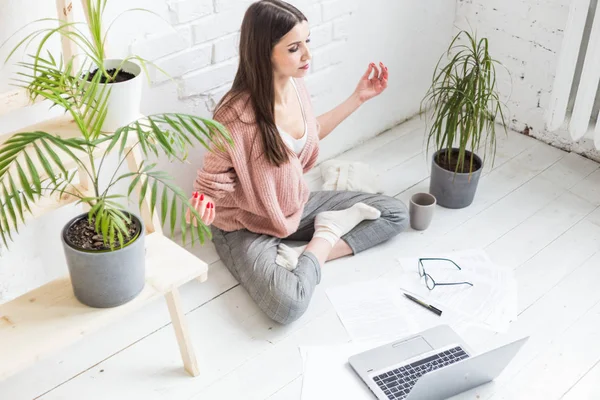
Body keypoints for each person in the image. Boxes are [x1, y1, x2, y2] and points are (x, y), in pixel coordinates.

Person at [186, 0, 408, 325]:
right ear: (264, 52)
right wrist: (200, 204)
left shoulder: (296, 86)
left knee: (395, 214)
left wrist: (358, 97)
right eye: (294, 47)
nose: (307, 54)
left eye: (308, 41)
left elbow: (312, 132)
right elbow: (211, 183)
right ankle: (324, 237)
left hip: (292, 207)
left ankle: (307, 250)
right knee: (288, 305)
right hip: (245, 225)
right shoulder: (234, 117)